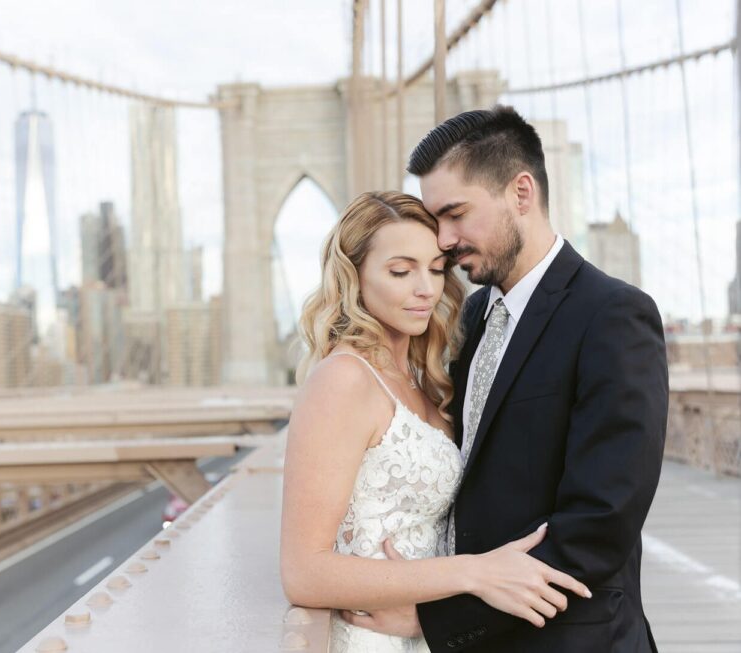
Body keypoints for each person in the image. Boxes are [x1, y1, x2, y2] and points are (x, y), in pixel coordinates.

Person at [341, 106, 668, 652]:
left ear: (521, 193)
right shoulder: (470, 318)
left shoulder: (613, 315)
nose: (442, 239)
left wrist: (435, 618)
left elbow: (600, 524)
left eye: (456, 214)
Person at [280, 191, 591, 653]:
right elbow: (304, 572)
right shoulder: (343, 381)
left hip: (423, 631)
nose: (425, 288)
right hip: (371, 637)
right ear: (353, 277)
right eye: (401, 271)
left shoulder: (425, 379)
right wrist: (475, 572)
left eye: (436, 268)